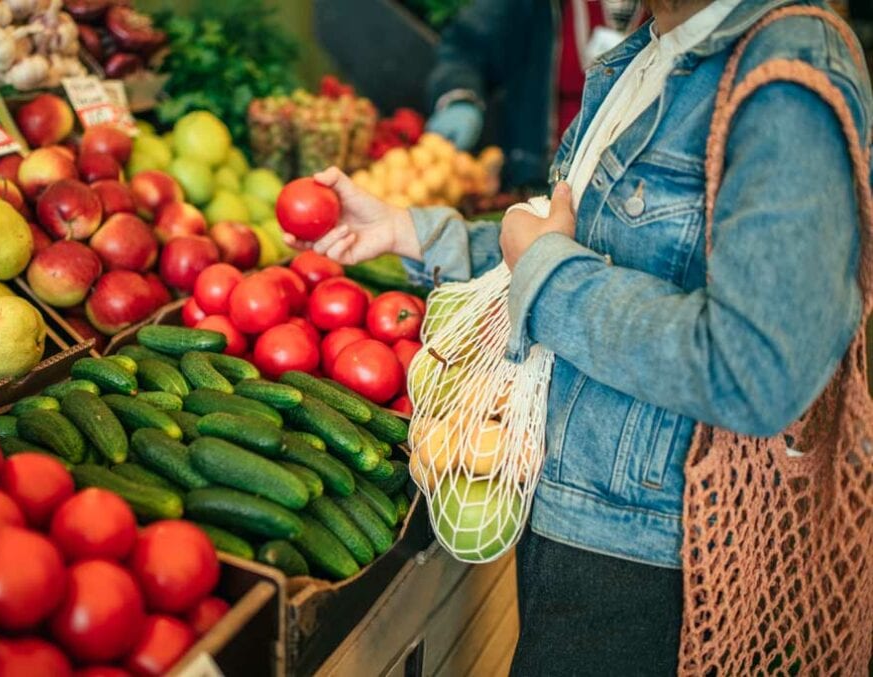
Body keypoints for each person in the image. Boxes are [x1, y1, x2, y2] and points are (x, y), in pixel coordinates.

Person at [287, 0, 873, 673]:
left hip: (651, 562)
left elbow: (756, 367)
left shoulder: (786, 71)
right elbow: (575, 241)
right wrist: (412, 231)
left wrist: (548, 274)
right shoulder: (652, 47)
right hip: (576, 507)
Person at [425, 0, 644, 188]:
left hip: (634, 191)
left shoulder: (672, 14)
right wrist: (460, 97)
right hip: (539, 181)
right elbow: (464, 48)